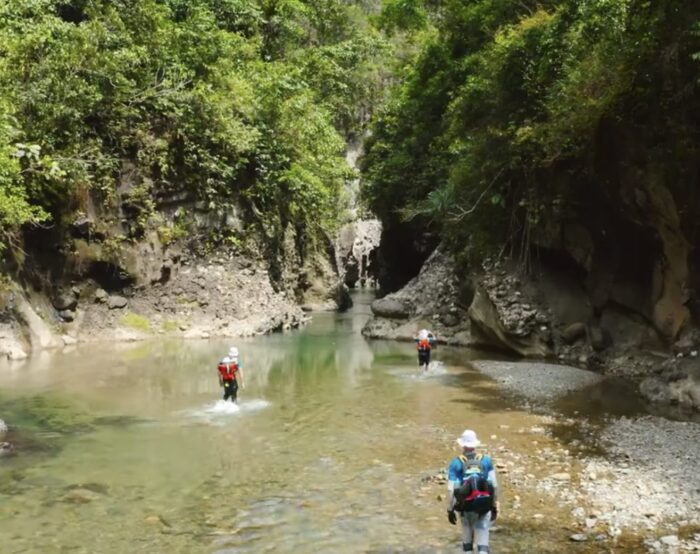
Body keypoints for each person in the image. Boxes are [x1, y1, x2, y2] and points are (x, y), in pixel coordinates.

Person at [446, 429, 499, 553]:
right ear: (475, 444)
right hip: (484, 506)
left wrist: (450, 509)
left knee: (467, 542)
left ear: (463, 445)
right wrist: (494, 506)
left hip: (465, 507)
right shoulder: (486, 460)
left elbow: (450, 489)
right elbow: (495, 485)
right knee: (483, 544)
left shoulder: (456, 463)